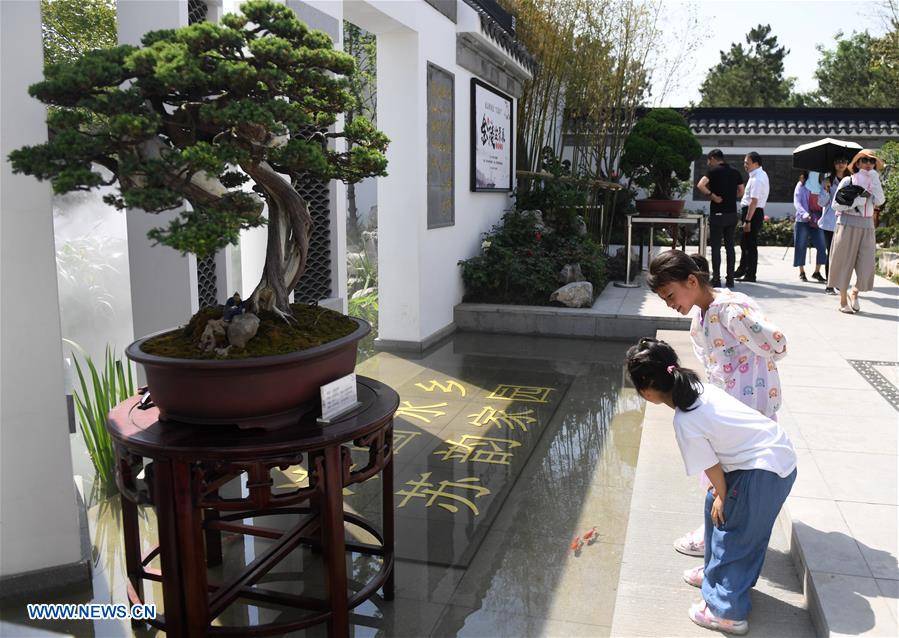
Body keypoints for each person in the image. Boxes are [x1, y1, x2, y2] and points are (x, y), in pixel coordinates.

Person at [626, 338, 797, 635]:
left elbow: (711, 466)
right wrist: (718, 494)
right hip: (775, 459)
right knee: (720, 512)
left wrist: (722, 494)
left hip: (763, 471)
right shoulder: (701, 390)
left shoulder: (686, 420)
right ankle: (716, 576)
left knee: (734, 535)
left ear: (647, 391)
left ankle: (726, 612)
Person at [647, 249, 788, 558]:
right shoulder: (703, 313)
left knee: (732, 479)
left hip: (749, 409)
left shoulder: (729, 310)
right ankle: (718, 533)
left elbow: (776, 342)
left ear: (691, 281)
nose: (670, 304)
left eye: (670, 295)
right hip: (730, 409)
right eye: (664, 299)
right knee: (723, 476)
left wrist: (753, 368)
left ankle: (721, 541)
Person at [829, 149, 885, 314]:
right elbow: (835, 205)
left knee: (866, 266)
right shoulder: (849, 180)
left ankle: (855, 292)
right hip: (847, 223)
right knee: (844, 263)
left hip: (867, 225)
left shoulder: (874, 181)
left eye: (872, 161)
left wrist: (875, 180)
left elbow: (880, 201)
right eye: (864, 160)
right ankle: (843, 300)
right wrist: (856, 201)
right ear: (858, 163)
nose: (868, 164)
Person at [697, 149, 744, 288]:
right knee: (730, 247)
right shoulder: (735, 172)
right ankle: (730, 279)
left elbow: (700, 185)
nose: (708, 163)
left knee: (716, 247)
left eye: (708, 160)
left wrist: (713, 196)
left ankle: (716, 279)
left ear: (713, 158)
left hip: (717, 214)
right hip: (731, 214)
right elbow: (741, 191)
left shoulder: (712, 172)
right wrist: (731, 196)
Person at [818, 155, 853, 295]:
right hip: (829, 222)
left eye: (844, 161)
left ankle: (839, 282)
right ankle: (829, 284)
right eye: (838, 161)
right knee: (831, 253)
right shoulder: (827, 181)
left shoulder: (852, 180)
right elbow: (821, 203)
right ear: (833, 164)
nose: (841, 164)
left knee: (843, 254)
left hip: (846, 221)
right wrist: (826, 190)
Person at [733, 153, 769, 283]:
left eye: (747, 163)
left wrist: (747, 220)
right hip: (753, 211)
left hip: (752, 213)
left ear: (756, 163)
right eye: (744, 163)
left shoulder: (757, 178)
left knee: (750, 245)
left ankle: (750, 274)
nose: (745, 165)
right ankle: (742, 269)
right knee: (745, 243)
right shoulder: (758, 175)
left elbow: (754, 201)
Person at [792, 171, 827, 283]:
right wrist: (804, 214)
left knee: (822, 246)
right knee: (801, 245)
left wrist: (826, 191)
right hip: (803, 220)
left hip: (818, 220)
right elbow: (797, 202)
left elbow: (826, 202)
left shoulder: (823, 184)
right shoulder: (801, 184)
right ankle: (801, 272)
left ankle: (817, 272)